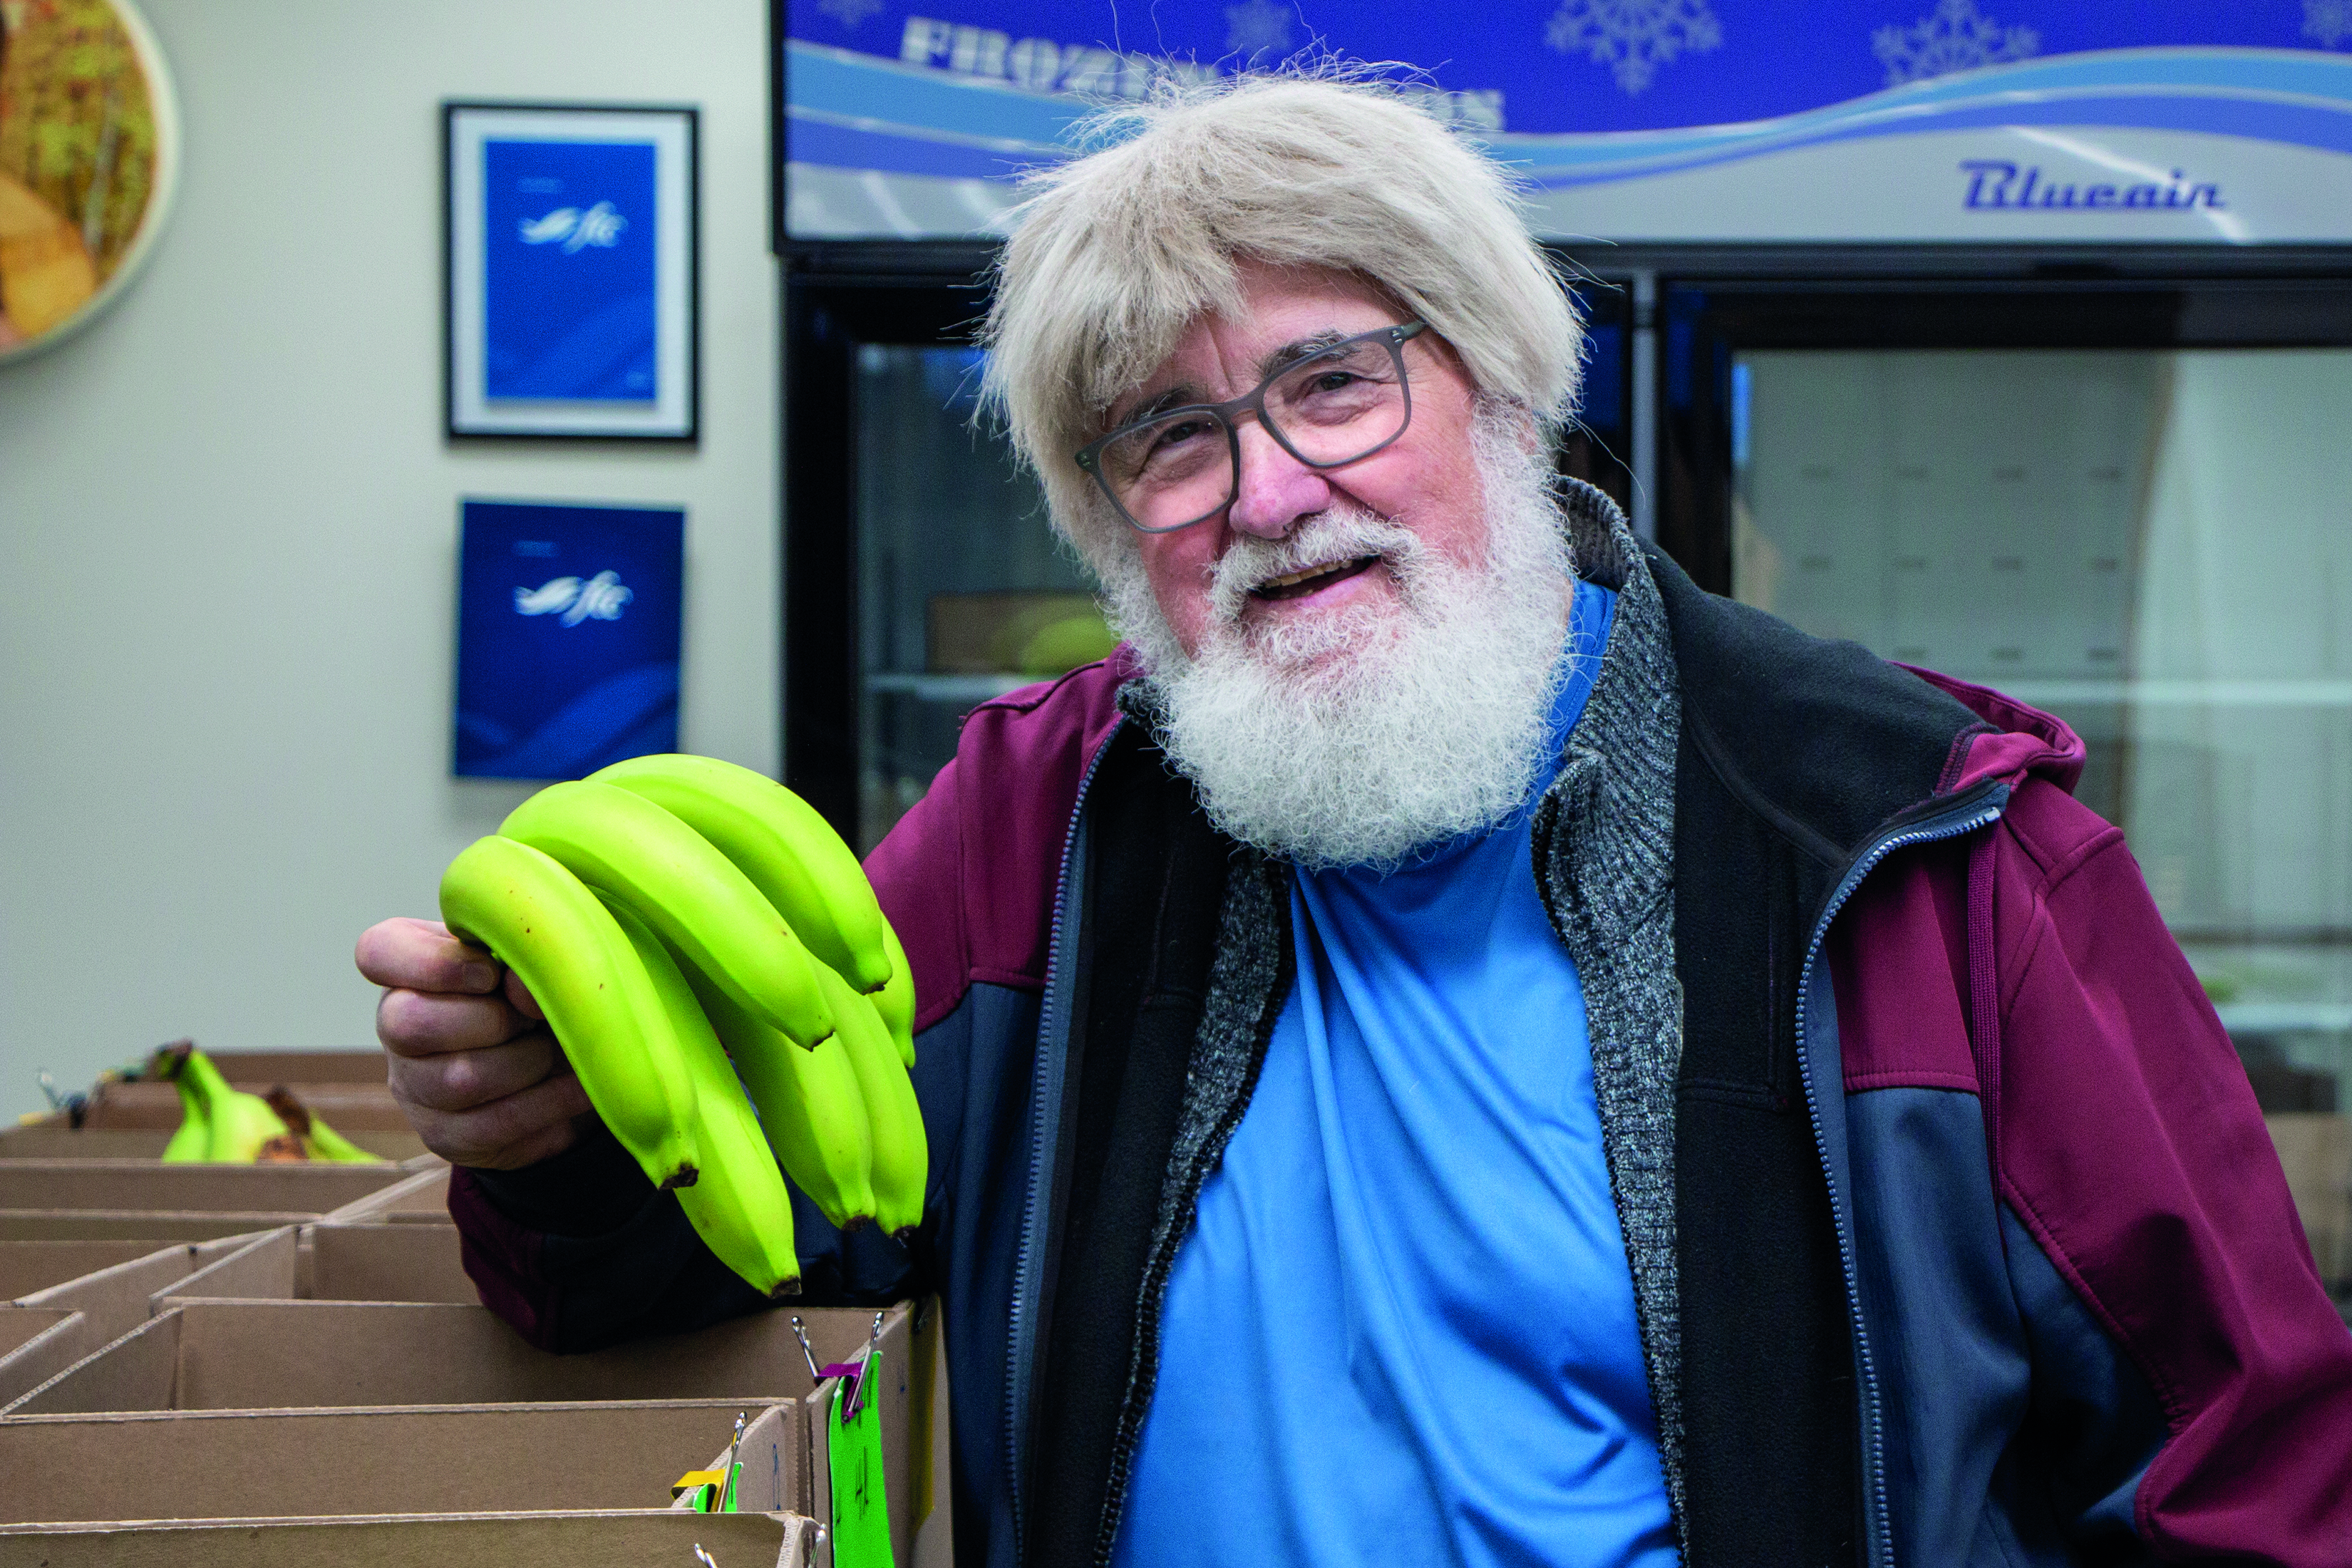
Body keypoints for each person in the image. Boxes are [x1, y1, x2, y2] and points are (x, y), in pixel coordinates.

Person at [358, 75, 2352, 1568]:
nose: (1269, 490)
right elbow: (758, 1249)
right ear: (1110, 527)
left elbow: (2256, 1465)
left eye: (1333, 384)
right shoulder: (1036, 823)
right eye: (1168, 437)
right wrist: (545, 1145)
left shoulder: (1922, 850)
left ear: (1498, 389)